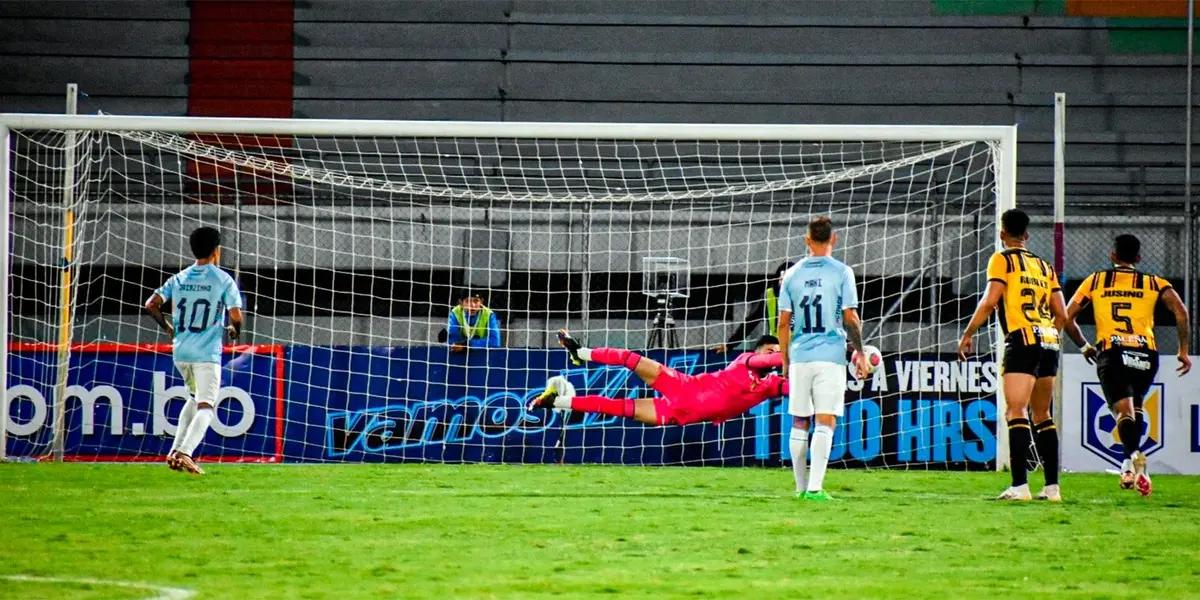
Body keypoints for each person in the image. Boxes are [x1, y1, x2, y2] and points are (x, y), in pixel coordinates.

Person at [957, 209, 1086, 502]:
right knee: (1042, 414)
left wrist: (968, 333)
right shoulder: (1044, 266)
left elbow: (991, 300)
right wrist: (1049, 335)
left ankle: (1019, 486)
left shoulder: (1001, 259)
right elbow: (1062, 314)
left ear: (1002, 235)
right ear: (1027, 236)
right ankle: (1052, 488)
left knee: (1016, 410)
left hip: (1023, 339)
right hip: (1049, 340)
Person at [1064, 234, 1191, 497]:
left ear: (1113, 256)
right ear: (1139, 258)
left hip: (1114, 351)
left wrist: (1084, 346)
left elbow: (1067, 317)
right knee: (1137, 406)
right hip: (1146, 352)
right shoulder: (1155, 283)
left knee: (1123, 413)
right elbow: (1181, 312)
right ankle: (1128, 468)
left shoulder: (1096, 281)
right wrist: (1183, 351)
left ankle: (1134, 456)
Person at [778, 216, 868, 501]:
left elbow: (783, 323)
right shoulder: (842, 272)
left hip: (801, 356)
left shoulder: (791, 274)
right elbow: (850, 318)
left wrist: (785, 358)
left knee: (799, 421)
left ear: (807, 240)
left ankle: (799, 488)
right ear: (834, 239)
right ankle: (815, 489)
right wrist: (861, 352)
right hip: (830, 356)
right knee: (825, 420)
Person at [144, 226, 244, 475]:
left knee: (192, 398)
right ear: (216, 251)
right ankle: (186, 453)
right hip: (206, 354)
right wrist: (235, 329)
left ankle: (173, 452)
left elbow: (151, 304)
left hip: (181, 352)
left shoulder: (180, 278)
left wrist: (167, 326)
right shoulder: (222, 279)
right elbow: (236, 315)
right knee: (207, 406)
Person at [528, 331, 788, 427]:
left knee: (617, 407)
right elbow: (771, 361)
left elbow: (793, 387)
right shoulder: (747, 361)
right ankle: (580, 352)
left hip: (681, 413)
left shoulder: (770, 386)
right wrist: (794, 355)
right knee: (631, 358)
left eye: (778, 351)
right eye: (770, 350)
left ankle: (554, 402)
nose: (774, 355)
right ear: (758, 352)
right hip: (684, 386)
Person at [714, 260, 795, 353]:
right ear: (777, 280)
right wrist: (730, 345)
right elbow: (751, 322)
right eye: (782, 279)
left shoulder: (806, 297)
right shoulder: (770, 297)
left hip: (803, 347)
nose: (785, 283)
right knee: (764, 343)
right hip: (778, 348)